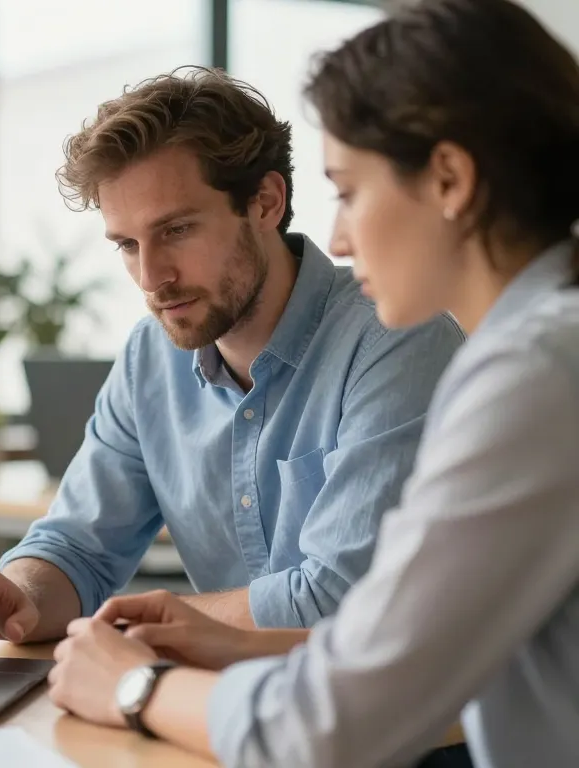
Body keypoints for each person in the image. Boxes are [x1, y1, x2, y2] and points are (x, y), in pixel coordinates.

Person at [44, 1, 579, 766]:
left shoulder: (532, 379)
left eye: (350, 190)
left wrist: (138, 687)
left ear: (451, 179)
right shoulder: (549, 347)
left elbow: (329, 728)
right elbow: (402, 646)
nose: (337, 237)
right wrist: (214, 640)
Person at [0, 68, 464, 656]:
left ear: (266, 203)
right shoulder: (149, 359)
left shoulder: (396, 337)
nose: (151, 278)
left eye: (176, 229)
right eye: (127, 245)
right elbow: (77, 548)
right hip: (232, 709)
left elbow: (342, 600)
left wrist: (130, 626)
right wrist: (19, 593)